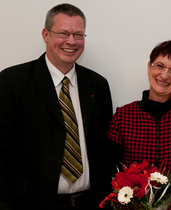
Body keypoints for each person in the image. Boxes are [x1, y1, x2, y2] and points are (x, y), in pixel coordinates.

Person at [0, 3, 112, 210]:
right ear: (45, 34)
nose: (71, 41)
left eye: (78, 35)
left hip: (89, 203)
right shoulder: (12, 81)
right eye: (63, 33)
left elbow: (105, 151)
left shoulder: (98, 85)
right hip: (31, 204)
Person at [106, 40, 171, 210]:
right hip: (132, 206)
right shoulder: (123, 115)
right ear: (149, 67)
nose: (164, 76)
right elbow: (108, 171)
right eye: (159, 66)